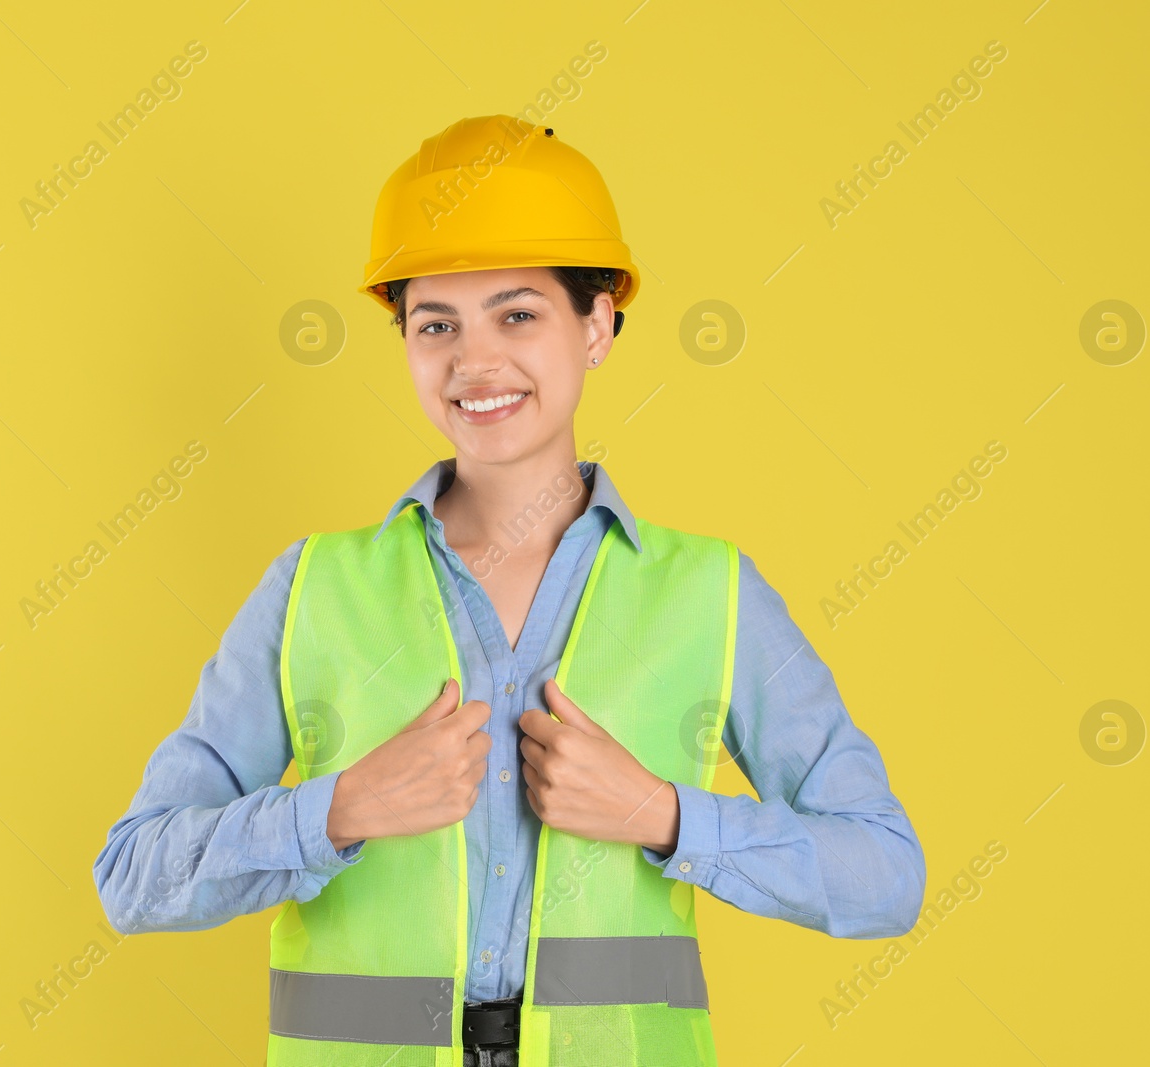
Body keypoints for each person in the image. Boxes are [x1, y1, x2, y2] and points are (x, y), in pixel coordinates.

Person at [94, 114, 925, 1067]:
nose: (473, 361)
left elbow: (885, 874)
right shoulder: (311, 588)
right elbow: (132, 876)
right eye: (435, 324)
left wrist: (663, 815)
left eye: (518, 314)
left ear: (599, 323)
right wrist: (335, 809)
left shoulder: (712, 593)